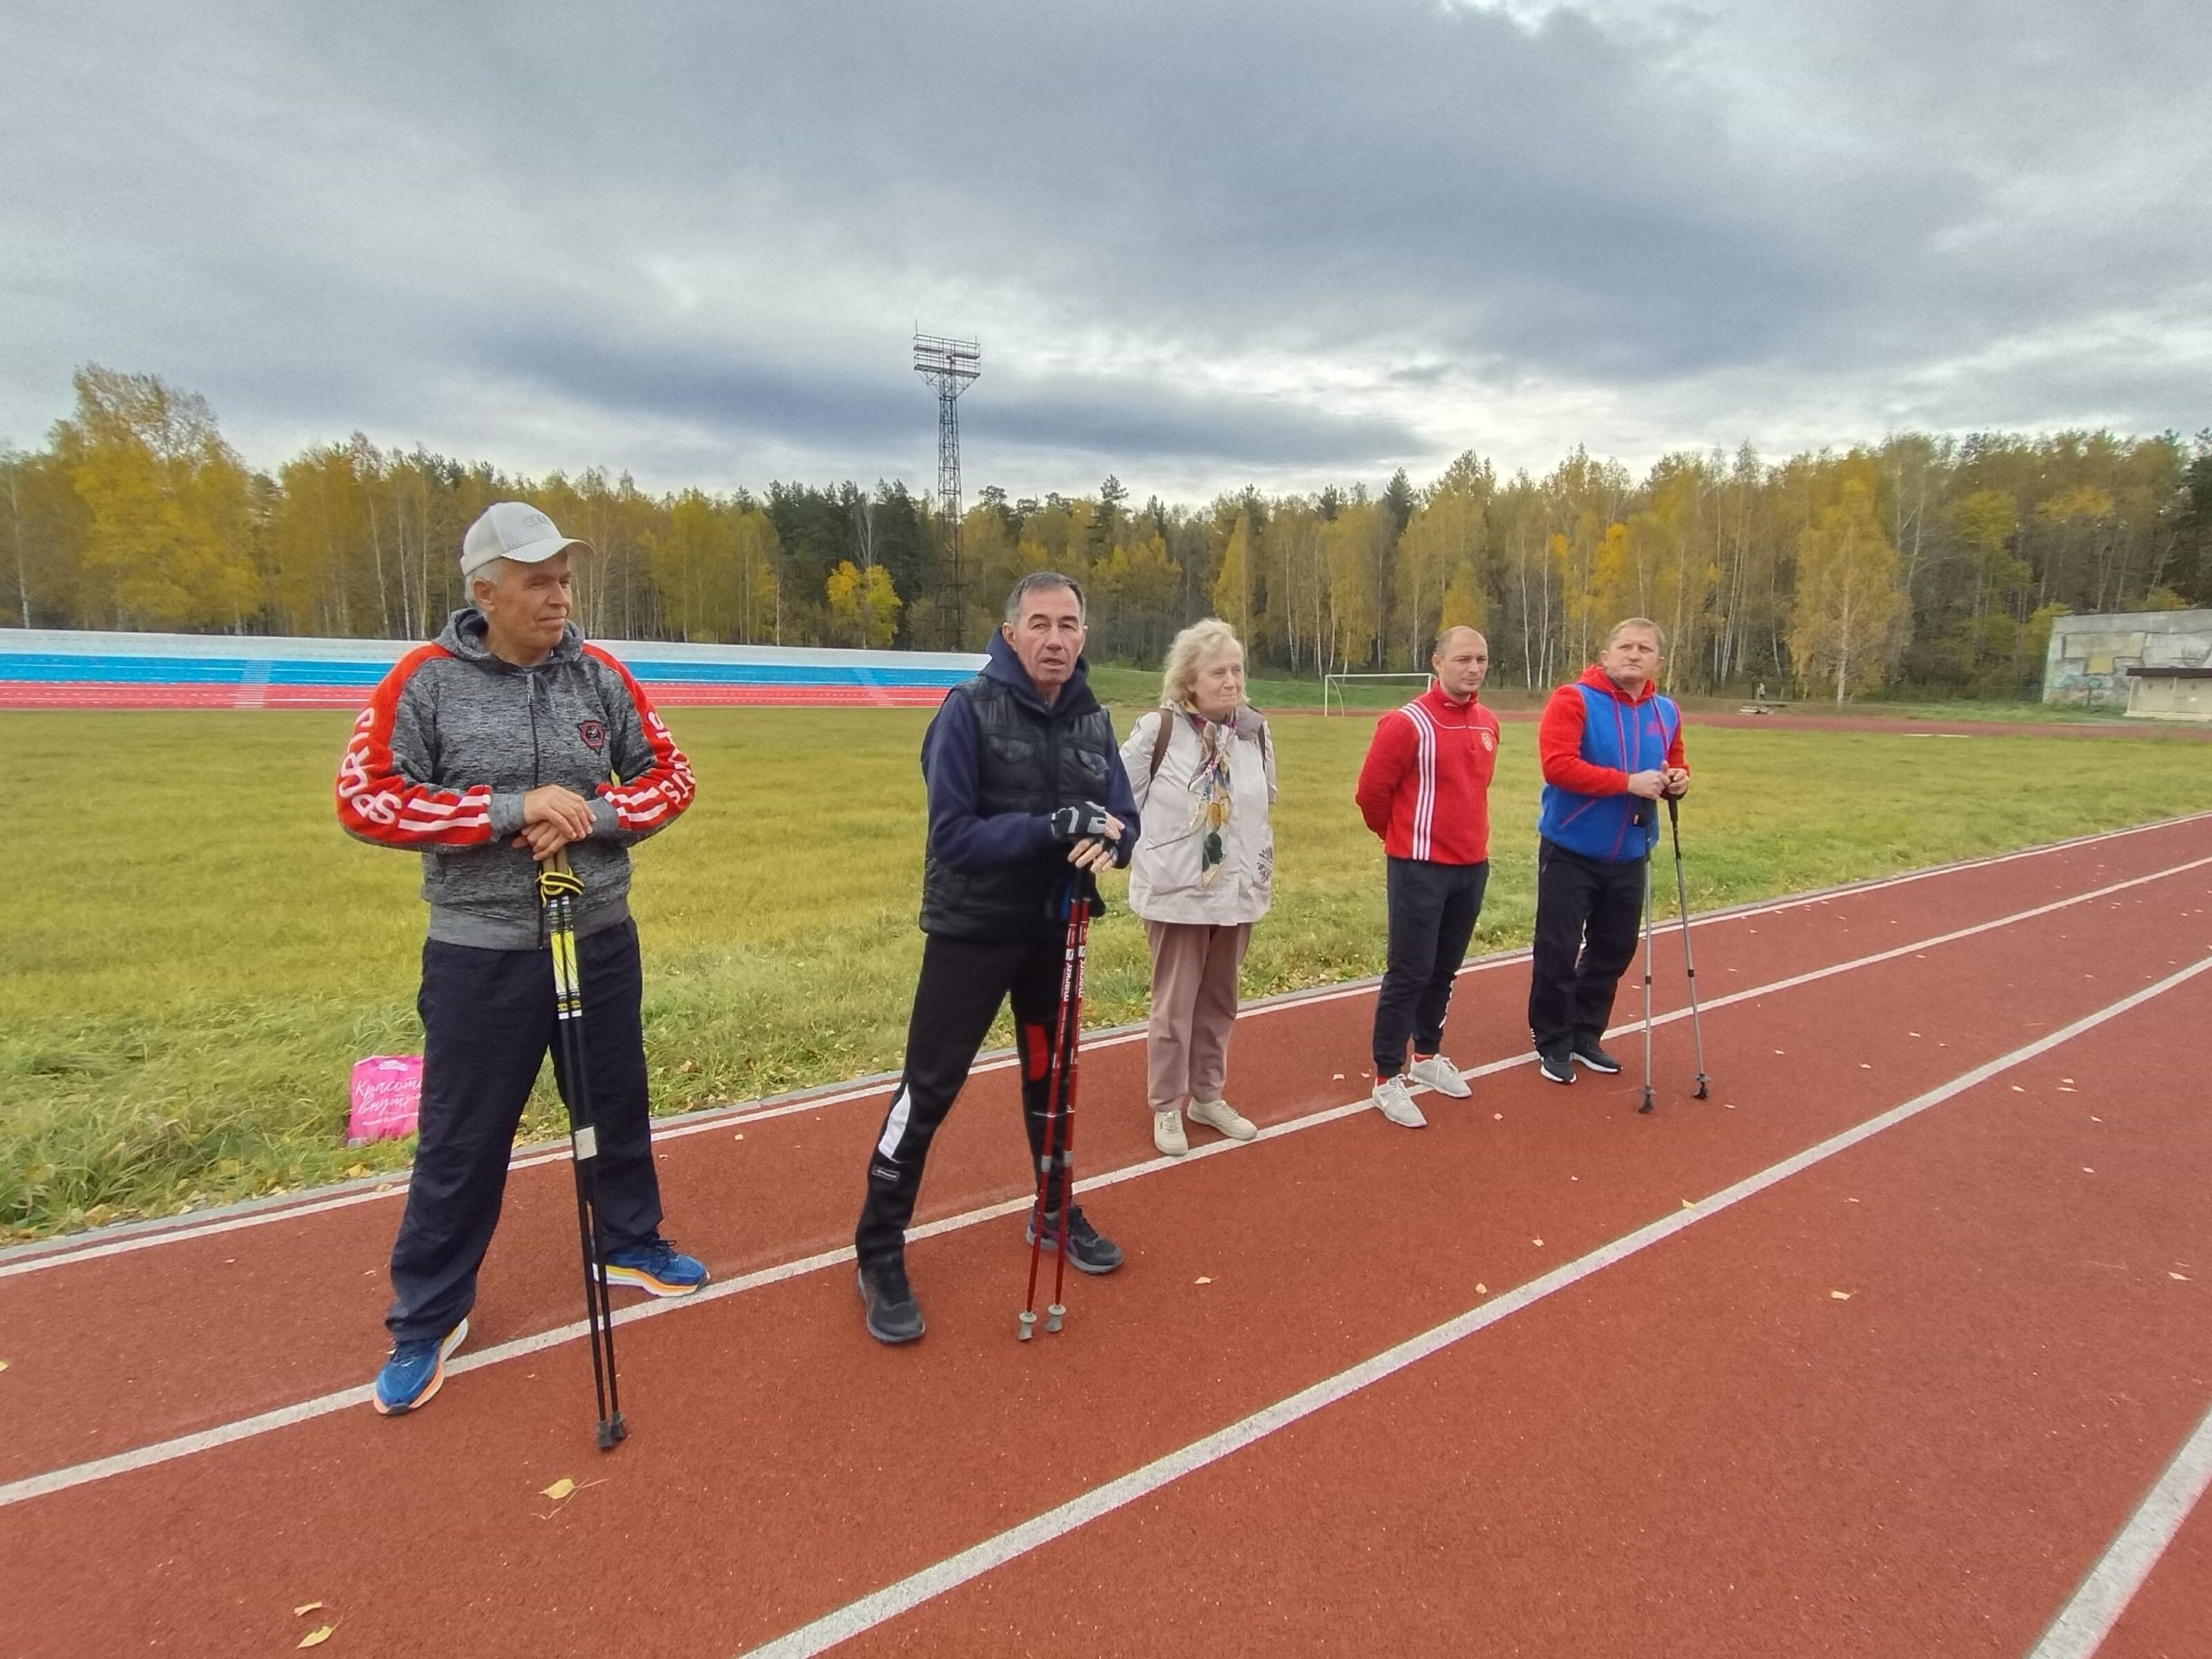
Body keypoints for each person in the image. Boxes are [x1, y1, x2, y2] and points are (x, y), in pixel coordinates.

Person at [336, 500, 706, 1417]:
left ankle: (628, 1240)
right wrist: (509, 809)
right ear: (485, 591)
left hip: (599, 936)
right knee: (464, 1140)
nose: (559, 597)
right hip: (480, 955)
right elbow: (367, 801)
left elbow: (672, 776)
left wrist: (592, 815)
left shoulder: (599, 673)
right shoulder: (424, 681)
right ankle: (427, 1315)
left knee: (613, 1104)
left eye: (564, 579)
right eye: (538, 581)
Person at [853, 572, 1142, 1344]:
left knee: (1053, 1081)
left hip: (1058, 929)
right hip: (972, 932)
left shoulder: (1093, 717)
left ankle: (1054, 1210)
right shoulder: (966, 710)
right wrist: (1054, 826)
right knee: (930, 1089)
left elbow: (1125, 818)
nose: (1056, 639)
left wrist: (1110, 840)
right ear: (1011, 633)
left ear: (1084, 635)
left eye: (1070, 625)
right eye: (1040, 624)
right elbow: (953, 835)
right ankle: (877, 1247)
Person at [1119, 619, 1276, 1159]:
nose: (1231, 681)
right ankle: (1167, 1103)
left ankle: (1207, 1095)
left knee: (1219, 1000)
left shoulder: (1255, 732)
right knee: (1174, 1004)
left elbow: (1264, 802)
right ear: (1189, 681)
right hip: (1177, 892)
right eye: (1218, 672)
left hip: (1235, 893)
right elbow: (1119, 801)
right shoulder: (1155, 731)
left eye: (1237, 669)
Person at [1528, 616, 1691, 1085]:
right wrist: (1626, 783)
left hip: (1632, 849)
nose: (1633, 654)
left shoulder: (1666, 711)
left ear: (1658, 660)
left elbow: (1674, 759)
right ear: (1606, 655)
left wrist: (1678, 780)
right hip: (1571, 846)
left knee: (1614, 947)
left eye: (1644, 648)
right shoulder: (1573, 699)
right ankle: (1552, 1037)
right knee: (1557, 948)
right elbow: (1558, 767)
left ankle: (1585, 1031)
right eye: (1624, 646)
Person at [1353, 626, 1502, 1128]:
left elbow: (1474, 791)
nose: (1473, 668)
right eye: (1463, 658)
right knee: (1409, 971)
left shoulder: (1487, 723)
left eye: (1481, 659)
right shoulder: (1406, 722)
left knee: (1444, 970)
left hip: (1471, 866)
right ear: (1437, 662)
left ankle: (1427, 1057)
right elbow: (1372, 795)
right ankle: (1386, 1075)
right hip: (1418, 867)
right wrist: (1400, 840)